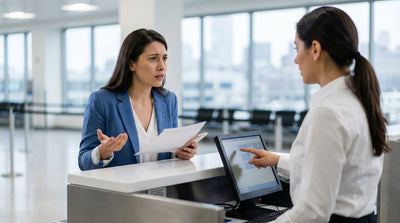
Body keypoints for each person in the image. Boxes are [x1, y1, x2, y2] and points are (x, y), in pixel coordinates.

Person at [241, 6, 391, 223]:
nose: (295, 60)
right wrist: (278, 160)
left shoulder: (328, 112)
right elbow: (336, 170)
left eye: (296, 48)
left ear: (315, 49)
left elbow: (313, 212)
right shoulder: (359, 100)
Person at [79, 28, 198, 171]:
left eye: (164, 58)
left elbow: (169, 154)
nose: (162, 66)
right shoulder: (102, 100)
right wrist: (102, 152)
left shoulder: (169, 100)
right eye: (153, 58)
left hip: (160, 189)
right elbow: (83, 161)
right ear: (131, 64)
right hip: (122, 191)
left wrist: (180, 154)